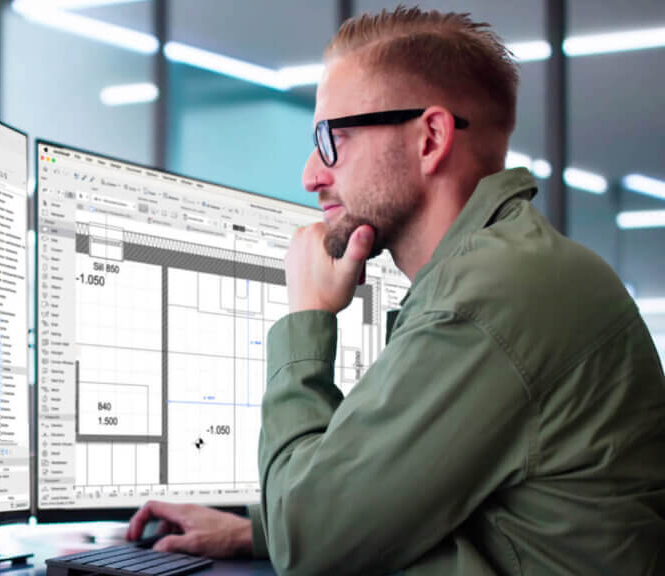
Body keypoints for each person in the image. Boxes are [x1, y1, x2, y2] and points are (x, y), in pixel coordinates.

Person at [127, 6, 665, 575]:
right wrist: (257, 530)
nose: (312, 174)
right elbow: (424, 496)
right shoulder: (510, 269)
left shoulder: (488, 299)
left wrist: (307, 317)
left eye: (335, 137)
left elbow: (309, 546)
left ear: (430, 138)